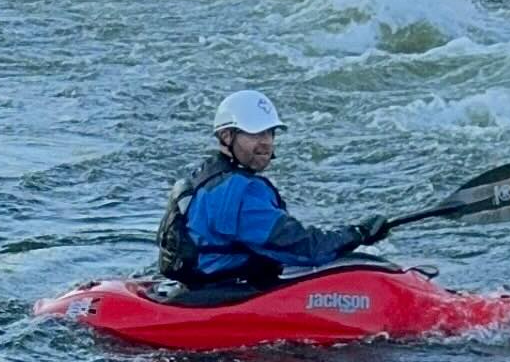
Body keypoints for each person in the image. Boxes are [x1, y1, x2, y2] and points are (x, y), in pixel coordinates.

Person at [157, 90, 389, 292]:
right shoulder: (242, 192)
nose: (266, 142)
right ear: (226, 136)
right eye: (256, 133)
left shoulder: (205, 175)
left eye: (269, 133)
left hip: (202, 282)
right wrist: (357, 234)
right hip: (227, 291)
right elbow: (304, 247)